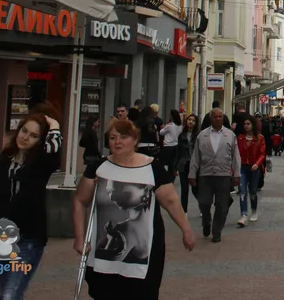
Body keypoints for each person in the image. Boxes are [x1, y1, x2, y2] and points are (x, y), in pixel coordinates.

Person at [73, 118, 194, 298]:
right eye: (113, 138)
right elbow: (80, 201)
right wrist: (80, 238)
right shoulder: (99, 168)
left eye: (123, 137)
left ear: (135, 139)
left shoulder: (152, 168)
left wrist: (186, 230)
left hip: (144, 252)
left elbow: (170, 201)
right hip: (104, 251)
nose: (118, 142)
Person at [0, 111, 62, 299]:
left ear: (41, 141)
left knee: (9, 296)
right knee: (6, 293)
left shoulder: (41, 164)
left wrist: (55, 127)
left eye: (34, 136)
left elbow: (54, 153)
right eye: (24, 131)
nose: (25, 138)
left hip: (27, 239)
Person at [188, 108, 240, 243]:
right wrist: (192, 173)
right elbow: (196, 156)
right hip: (206, 174)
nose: (218, 119)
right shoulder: (202, 135)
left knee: (222, 205)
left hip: (223, 175)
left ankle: (217, 232)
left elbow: (236, 156)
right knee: (204, 202)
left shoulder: (230, 135)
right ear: (211, 119)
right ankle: (206, 221)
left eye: (220, 117)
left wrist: (237, 174)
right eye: (215, 117)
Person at [235, 116, 266, 227]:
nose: (246, 126)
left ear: (253, 125)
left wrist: (257, 164)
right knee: (242, 191)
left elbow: (262, 154)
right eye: (244, 124)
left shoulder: (260, 138)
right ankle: (243, 215)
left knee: (252, 191)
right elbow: (236, 153)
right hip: (242, 168)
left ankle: (254, 211)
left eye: (248, 124)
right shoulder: (240, 138)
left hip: (254, 168)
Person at [175, 114, 199, 212]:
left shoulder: (199, 135)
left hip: (194, 165)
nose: (191, 122)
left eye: (193, 120)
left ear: (196, 123)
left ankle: (203, 207)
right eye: (189, 119)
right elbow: (178, 152)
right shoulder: (181, 135)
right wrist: (175, 166)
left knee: (195, 189)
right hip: (183, 164)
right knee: (184, 189)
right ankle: (183, 211)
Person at [158, 110, 181, 176]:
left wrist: (165, 126)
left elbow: (161, 132)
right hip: (175, 146)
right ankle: (171, 178)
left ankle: (163, 177)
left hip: (167, 146)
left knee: (162, 163)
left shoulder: (169, 125)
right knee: (172, 164)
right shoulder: (179, 126)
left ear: (172, 116)